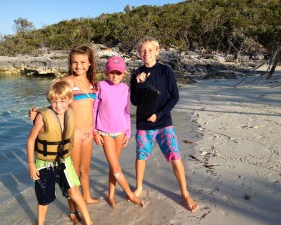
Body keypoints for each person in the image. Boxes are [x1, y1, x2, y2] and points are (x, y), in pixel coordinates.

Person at [29, 45, 100, 222]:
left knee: (85, 170)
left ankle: (88, 197)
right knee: (71, 174)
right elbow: (55, 103)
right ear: (70, 63)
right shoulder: (67, 81)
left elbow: (96, 109)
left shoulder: (93, 83)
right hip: (73, 135)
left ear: (90, 63)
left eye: (83, 62)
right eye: (74, 62)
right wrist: (36, 114)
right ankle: (73, 210)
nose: (79, 66)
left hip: (88, 133)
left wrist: (99, 130)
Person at [130, 37, 199, 212]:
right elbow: (135, 101)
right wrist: (138, 83)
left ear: (157, 51)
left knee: (175, 156)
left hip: (164, 123)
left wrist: (159, 114)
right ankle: (138, 187)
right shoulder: (136, 73)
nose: (146, 54)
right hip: (143, 124)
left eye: (150, 50)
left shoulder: (165, 71)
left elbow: (174, 96)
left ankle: (184, 192)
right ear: (139, 53)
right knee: (141, 156)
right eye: (143, 51)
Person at [26, 79, 93, 225]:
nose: (59, 105)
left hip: (64, 160)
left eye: (63, 101)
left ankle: (89, 222)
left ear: (70, 99)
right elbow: (31, 140)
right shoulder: (42, 117)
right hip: (44, 163)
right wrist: (31, 164)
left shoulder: (70, 114)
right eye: (54, 101)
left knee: (74, 191)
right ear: (49, 100)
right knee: (44, 199)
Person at [93, 56, 145, 208]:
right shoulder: (100, 86)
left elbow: (127, 112)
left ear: (124, 74)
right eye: (111, 72)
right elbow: (94, 109)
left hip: (121, 131)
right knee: (116, 169)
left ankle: (110, 194)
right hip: (105, 132)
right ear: (106, 72)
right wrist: (95, 131)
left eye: (118, 73)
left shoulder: (126, 89)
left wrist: (128, 132)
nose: (115, 76)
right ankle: (130, 194)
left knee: (113, 166)